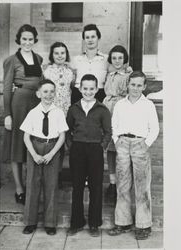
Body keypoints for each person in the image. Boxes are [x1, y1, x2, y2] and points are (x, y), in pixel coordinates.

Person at [108, 71, 159, 240]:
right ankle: (123, 222)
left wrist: (145, 144)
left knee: (142, 186)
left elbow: (155, 128)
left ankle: (143, 225)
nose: (135, 88)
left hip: (140, 145)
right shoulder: (120, 104)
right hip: (122, 144)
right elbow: (114, 124)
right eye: (133, 84)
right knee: (122, 185)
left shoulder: (148, 105)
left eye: (139, 85)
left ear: (144, 86)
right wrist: (117, 140)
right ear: (127, 85)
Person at [20, 79, 69, 235]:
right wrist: (34, 154)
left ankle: (50, 223)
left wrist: (51, 154)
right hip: (35, 147)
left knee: (51, 185)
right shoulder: (33, 112)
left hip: (52, 148)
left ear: (55, 93)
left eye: (51, 91)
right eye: (45, 91)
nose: (48, 95)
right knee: (33, 185)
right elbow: (26, 137)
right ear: (38, 94)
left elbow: (62, 137)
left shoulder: (59, 112)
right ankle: (30, 222)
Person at [66, 74, 111, 237]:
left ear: (97, 89)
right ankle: (76, 222)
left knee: (95, 186)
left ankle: (94, 223)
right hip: (77, 149)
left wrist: (102, 147)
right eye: (85, 88)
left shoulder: (102, 109)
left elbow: (108, 132)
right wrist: (71, 146)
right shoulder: (74, 108)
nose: (88, 91)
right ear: (80, 89)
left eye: (92, 89)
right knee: (77, 186)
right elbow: (67, 130)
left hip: (95, 150)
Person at [3, 24, 43, 204]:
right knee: (17, 144)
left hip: (36, 104)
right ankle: (19, 188)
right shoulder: (12, 60)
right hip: (18, 104)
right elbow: (6, 88)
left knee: (33, 143)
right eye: (24, 39)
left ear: (35, 40)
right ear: (19, 40)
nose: (27, 42)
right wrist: (8, 114)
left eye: (30, 39)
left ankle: (32, 184)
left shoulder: (39, 58)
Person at [103, 45, 132, 201]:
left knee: (122, 149)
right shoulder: (109, 74)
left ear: (125, 59)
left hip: (122, 111)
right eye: (114, 58)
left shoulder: (128, 75)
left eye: (120, 58)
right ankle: (112, 183)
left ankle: (123, 184)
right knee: (110, 149)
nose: (117, 61)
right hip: (108, 110)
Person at [43, 42, 75, 188]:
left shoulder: (71, 72)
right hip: (51, 112)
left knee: (62, 144)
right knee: (51, 142)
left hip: (66, 112)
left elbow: (71, 90)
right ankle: (50, 175)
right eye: (56, 53)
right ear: (52, 55)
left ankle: (59, 173)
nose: (60, 56)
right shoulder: (47, 71)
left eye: (62, 53)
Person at [70, 24, 108, 104]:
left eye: (93, 37)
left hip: (99, 94)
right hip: (78, 95)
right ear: (84, 40)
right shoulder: (76, 59)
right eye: (87, 37)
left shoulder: (106, 59)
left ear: (98, 38)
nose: (90, 40)